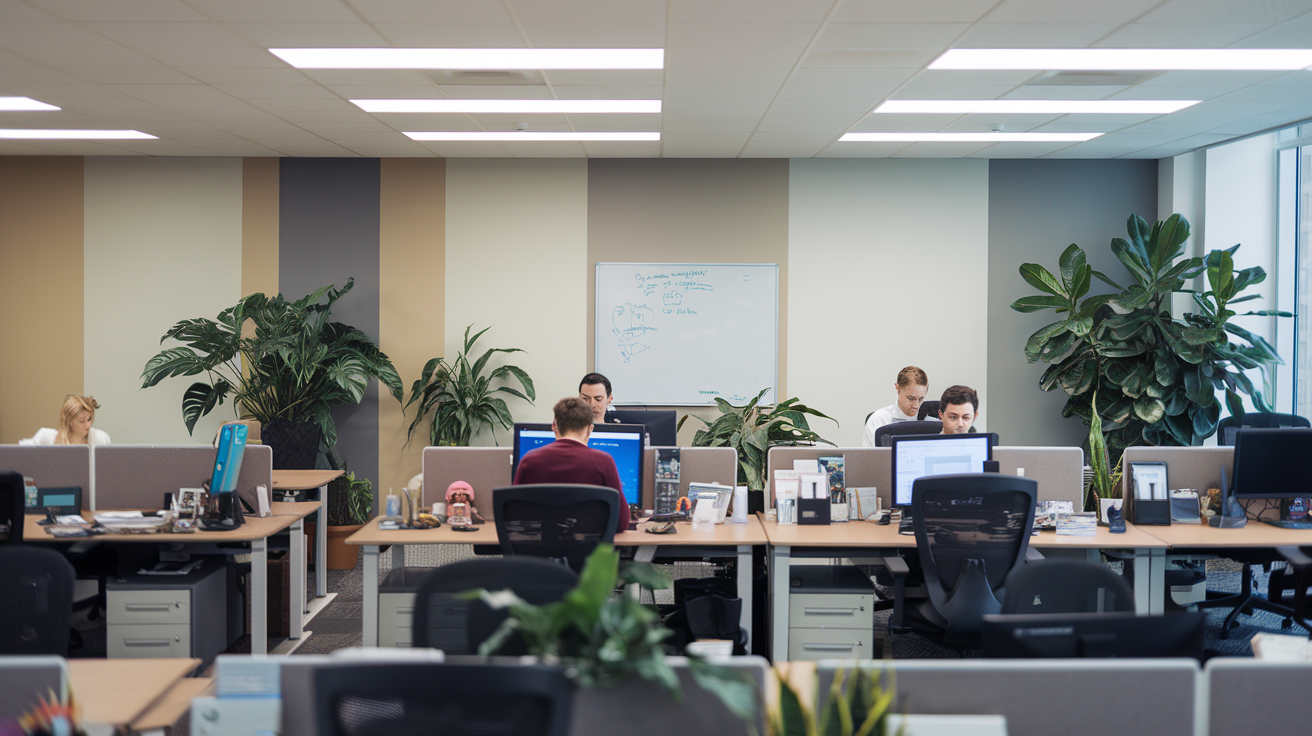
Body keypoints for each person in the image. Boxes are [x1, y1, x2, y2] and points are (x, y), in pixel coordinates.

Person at [513, 396, 630, 533]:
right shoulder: (604, 461)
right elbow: (621, 523)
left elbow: (514, 518)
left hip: (539, 552)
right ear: (590, 429)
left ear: (554, 426)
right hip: (588, 552)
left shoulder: (529, 460)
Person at [861, 366, 928, 447]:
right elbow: (871, 458)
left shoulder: (933, 421)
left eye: (921, 399)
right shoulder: (879, 420)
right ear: (898, 389)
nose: (916, 405)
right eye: (911, 398)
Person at [27, 394, 111, 447]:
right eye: (82, 421)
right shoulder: (47, 438)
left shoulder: (100, 439)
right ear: (69, 421)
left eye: (89, 419)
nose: (88, 425)